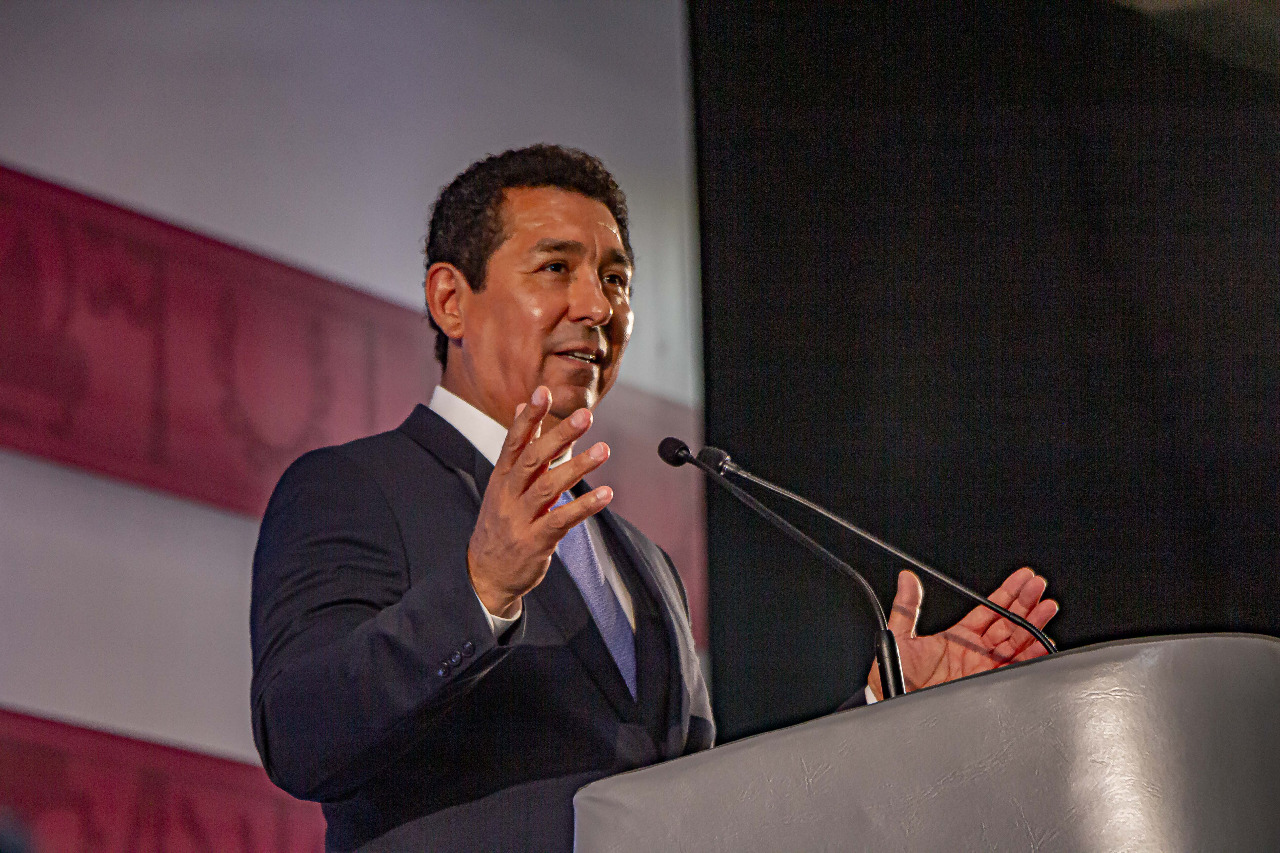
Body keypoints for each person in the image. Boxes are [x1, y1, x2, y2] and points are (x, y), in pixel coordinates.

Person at [249, 144, 1058, 852]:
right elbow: (300, 733)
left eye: (616, 279)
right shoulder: (354, 488)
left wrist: (882, 704)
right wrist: (480, 590)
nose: (598, 306)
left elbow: (697, 810)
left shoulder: (643, 562)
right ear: (450, 299)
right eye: (556, 268)